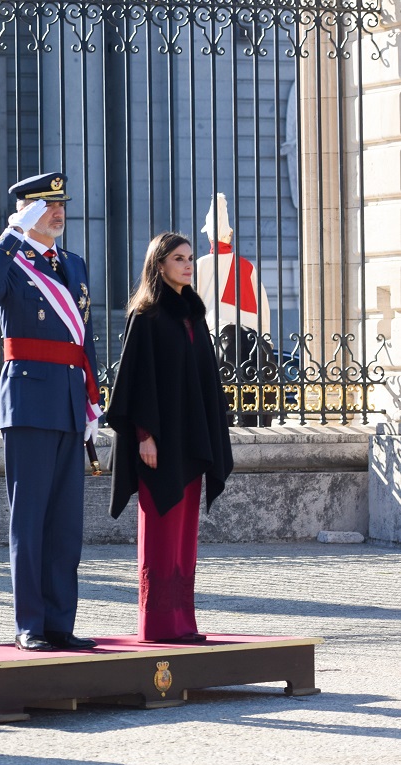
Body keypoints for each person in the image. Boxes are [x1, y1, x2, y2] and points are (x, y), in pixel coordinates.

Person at [0, 171, 101, 652]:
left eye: (61, 205)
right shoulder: (13, 262)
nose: (58, 212)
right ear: (28, 212)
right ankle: (30, 623)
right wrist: (13, 232)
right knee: (28, 521)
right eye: (47, 207)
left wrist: (91, 397)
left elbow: (83, 336)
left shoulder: (74, 264)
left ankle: (59, 622)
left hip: (69, 401)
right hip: (28, 401)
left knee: (65, 523)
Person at [107, 232, 234, 643]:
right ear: (159, 264)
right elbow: (136, 382)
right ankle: (159, 625)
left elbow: (204, 383)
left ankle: (183, 623)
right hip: (158, 444)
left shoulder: (193, 316)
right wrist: (145, 436)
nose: (188, 265)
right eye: (179, 259)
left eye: (190, 258)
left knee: (184, 535)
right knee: (161, 530)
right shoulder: (146, 315)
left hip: (191, 443)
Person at [196, 193, 277, 426]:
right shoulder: (247, 266)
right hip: (251, 338)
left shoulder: (200, 264)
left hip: (217, 336)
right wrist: (266, 341)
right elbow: (263, 307)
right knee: (257, 400)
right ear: (229, 235)